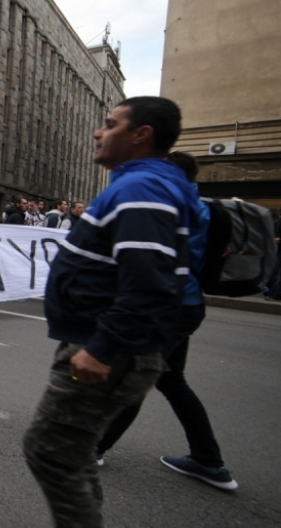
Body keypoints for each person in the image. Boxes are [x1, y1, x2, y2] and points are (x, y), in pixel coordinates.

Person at [21, 96, 202, 528]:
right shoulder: (144, 184)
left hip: (109, 346)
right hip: (111, 339)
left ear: (140, 134)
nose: (98, 133)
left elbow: (147, 280)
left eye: (109, 124)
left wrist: (102, 348)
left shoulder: (144, 186)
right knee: (75, 447)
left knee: (49, 448)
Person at [95, 152, 237, 490]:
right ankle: (208, 460)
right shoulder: (200, 206)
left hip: (164, 308)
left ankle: (94, 448)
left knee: (133, 379)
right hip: (187, 304)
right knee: (171, 382)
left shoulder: (168, 206)